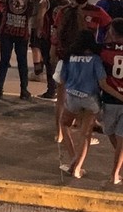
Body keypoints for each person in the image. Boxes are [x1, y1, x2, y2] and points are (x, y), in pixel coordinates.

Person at [55, 30, 106, 179]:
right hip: (91, 98)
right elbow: (102, 81)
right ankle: (77, 167)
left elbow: (62, 80)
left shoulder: (69, 57)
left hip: (73, 97)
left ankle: (73, 158)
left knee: (64, 124)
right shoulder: (95, 59)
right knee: (86, 134)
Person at [99, 18, 123, 185]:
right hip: (113, 100)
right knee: (115, 135)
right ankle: (117, 168)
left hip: (110, 99)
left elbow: (102, 81)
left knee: (115, 135)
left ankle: (115, 173)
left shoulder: (103, 51)